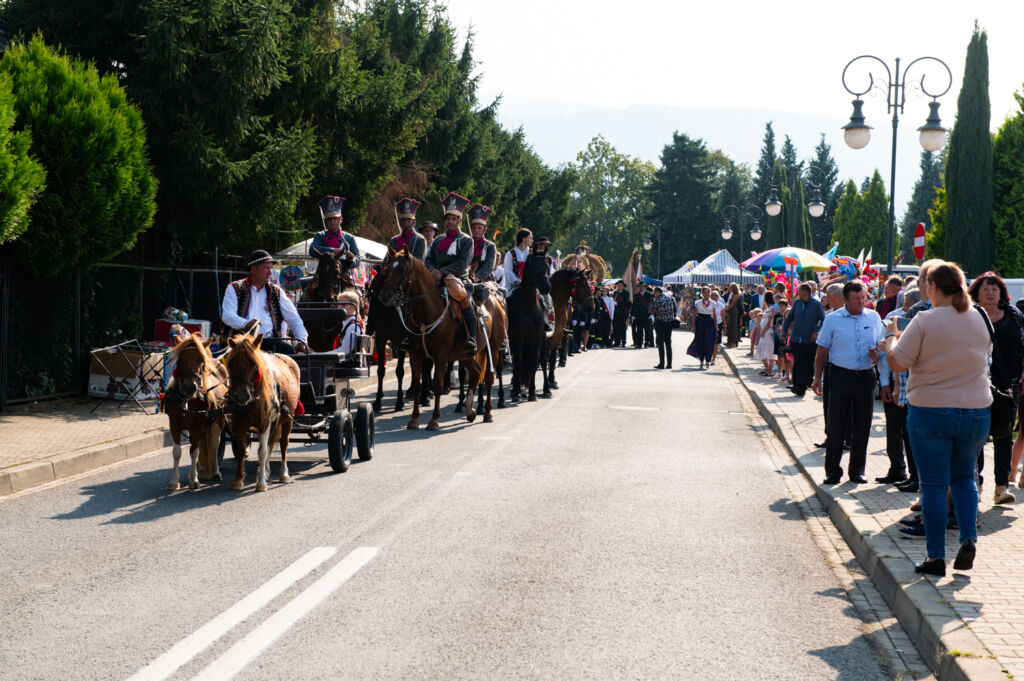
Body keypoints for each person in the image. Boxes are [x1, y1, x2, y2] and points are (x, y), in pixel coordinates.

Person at [882, 261, 991, 576]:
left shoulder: (925, 319)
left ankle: (935, 557)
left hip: (930, 410)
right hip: (975, 411)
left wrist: (891, 336)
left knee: (932, 486)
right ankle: (968, 537)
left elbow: (899, 363)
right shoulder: (979, 317)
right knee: (964, 478)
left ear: (931, 287)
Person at [811, 280, 886, 485]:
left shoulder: (873, 316)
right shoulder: (833, 319)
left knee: (862, 426)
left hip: (865, 376)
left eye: (863, 298)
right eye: (856, 299)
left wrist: (876, 355)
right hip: (840, 376)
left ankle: (857, 471)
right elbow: (822, 350)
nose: (860, 302)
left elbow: (882, 345)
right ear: (846, 299)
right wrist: (817, 377)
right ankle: (833, 471)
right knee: (836, 425)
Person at [969, 271, 1024, 505]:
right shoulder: (969, 316)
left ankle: (1001, 487)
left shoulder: (1014, 316)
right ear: (976, 293)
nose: (990, 292)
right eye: (985, 288)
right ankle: (977, 485)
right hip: (975, 384)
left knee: (1003, 436)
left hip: (1007, 386)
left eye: (995, 288)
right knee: (976, 437)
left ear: (1001, 292)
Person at [221, 249, 309, 354]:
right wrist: (246, 324)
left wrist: (302, 340)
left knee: (289, 351)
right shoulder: (234, 288)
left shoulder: (277, 291)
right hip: (243, 341)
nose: (270, 272)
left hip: (270, 343)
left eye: (271, 268)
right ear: (253, 269)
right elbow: (227, 315)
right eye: (266, 268)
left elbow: (294, 319)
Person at [876, 287, 921, 487]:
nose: (904, 309)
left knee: (913, 433)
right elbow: (886, 357)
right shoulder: (893, 318)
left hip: (914, 384)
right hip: (897, 382)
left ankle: (916, 476)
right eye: (903, 304)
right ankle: (898, 469)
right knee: (895, 428)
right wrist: (886, 383)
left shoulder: (922, 323)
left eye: (908, 305)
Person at [424, 191, 477, 353]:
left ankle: (472, 338)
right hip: (435, 278)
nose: (451, 221)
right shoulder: (438, 240)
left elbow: (462, 264)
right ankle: (411, 335)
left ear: (459, 221)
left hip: (458, 279)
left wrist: (443, 271)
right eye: (448, 218)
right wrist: (433, 271)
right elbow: (428, 259)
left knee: (464, 300)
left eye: (454, 219)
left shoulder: (467, 240)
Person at [782, 282, 825, 396]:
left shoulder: (816, 304)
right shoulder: (797, 303)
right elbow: (789, 318)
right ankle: (798, 386)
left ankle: (804, 384)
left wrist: (817, 332)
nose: (797, 293)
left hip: (810, 340)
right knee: (798, 362)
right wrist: (784, 330)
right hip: (796, 338)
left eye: (799, 290)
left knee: (808, 363)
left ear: (805, 292)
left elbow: (824, 320)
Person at [310, 195, 361, 276]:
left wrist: (351, 260)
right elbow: (312, 250)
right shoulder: (320, 236)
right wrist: (333, 250)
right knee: (309, 287)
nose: (332, 221)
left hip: (344, 276)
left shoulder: (350, 238)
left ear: (340, 220)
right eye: (329, 219)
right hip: (323, 275)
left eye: (335, 218)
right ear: (326, 221)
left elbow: (358, 260)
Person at [686, 287, 715, 369]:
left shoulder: (713, 303)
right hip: (700, 322)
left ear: (710, 293)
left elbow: (714, 315)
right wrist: (693, 326)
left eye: (708, 292)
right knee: (700, 342)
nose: (706, 294)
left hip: (709, 322)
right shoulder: (697, 302)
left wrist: (716, 326)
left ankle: (708, 361)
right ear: (702, 293)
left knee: (709, 342)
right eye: (705, 292)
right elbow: (694, 315)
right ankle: (701, 361)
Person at [467, 204, 497, 282]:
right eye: (474, 228)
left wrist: (476, 278)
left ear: (484, 230)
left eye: (479, 228)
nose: (476, 230)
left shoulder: (490, 246)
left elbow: (488, 266)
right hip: (465, 277)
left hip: (484, 279)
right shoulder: (466, 243)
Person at [651, 285, 678, 369]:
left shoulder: (657, 300)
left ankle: (662, 363)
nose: (653, 294)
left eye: (654, 292)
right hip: (669, 323)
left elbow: (650, 310)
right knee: (668, 343)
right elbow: (675, 309)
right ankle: (669, 364)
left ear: (657, 292)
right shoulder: (670, 298)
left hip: (660, 323)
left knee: (661, 343)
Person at [772, 299, 790, 382]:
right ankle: (779, 372)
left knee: (786, 356)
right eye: (779, 305)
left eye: (782, 305)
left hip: (786, 339)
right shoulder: (777, 315)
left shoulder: (789, 315)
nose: (780, 307)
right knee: (779, 355)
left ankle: (784, 372)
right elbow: (774, 325)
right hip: (777, 337)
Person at [612, 280, 631, 347]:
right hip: (616, 313)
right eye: (618, 285)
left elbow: (625, 302)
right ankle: (617, 342)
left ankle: (623, 342)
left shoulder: (626, 293)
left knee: (622, 328)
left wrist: (617, 303)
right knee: (616, 328)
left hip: (623, 313)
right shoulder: (615, 293)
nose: (619, 286)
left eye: (620, 285)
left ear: (623, 286)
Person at [724, 283, 741, 347]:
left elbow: (732, 304)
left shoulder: (736, 295)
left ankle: (733, 342)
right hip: (730, 311)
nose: (729, 289)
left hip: (733, 311)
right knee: (730, 327)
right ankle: (729, 341)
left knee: (733, 327)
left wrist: (726, 310)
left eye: (731, 288)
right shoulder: (731, 294)